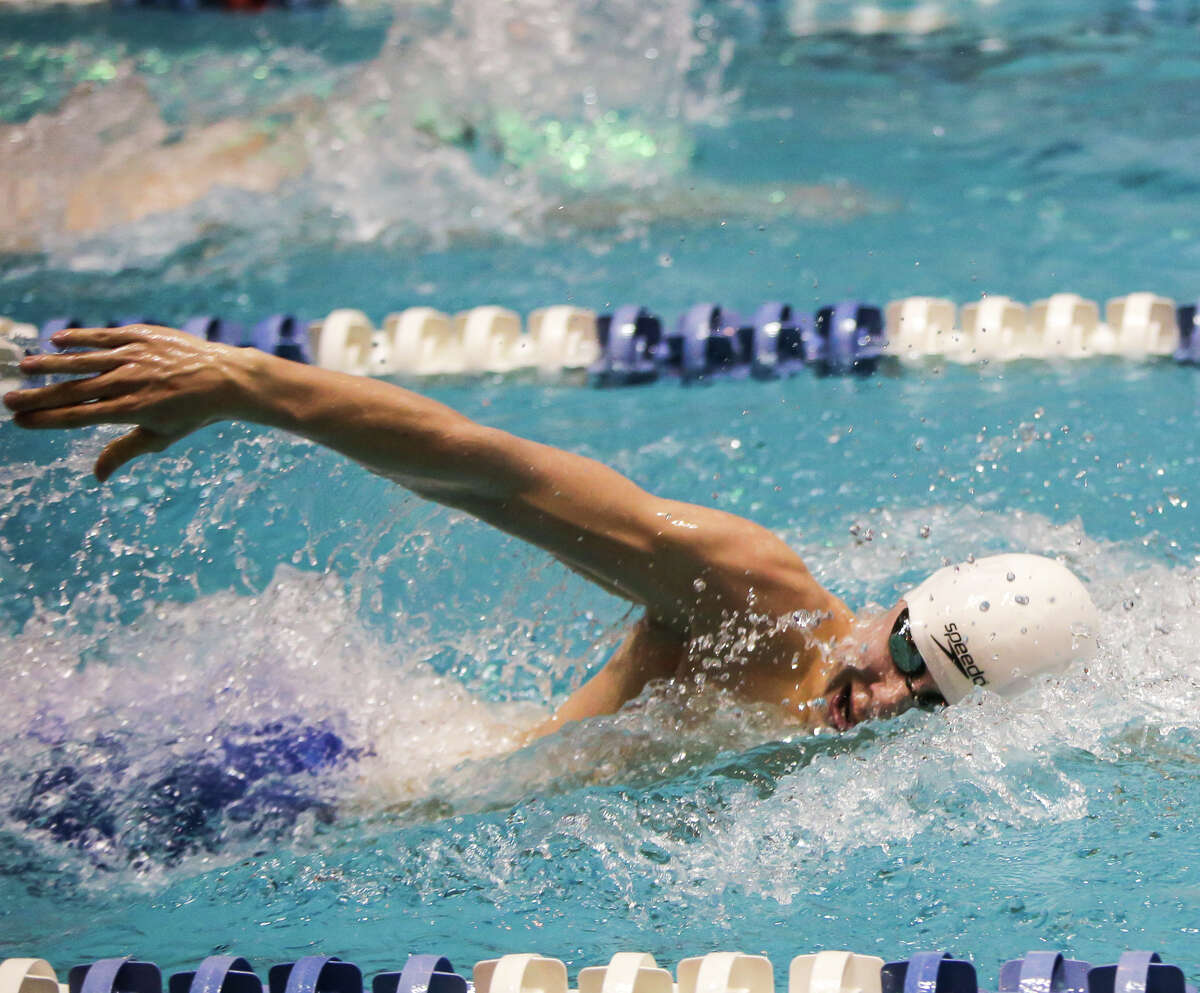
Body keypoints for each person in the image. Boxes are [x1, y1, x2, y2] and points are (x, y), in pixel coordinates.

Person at [3, 324, 1102, 739]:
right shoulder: (761, 605)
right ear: (901, 601)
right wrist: (248, 383)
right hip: (303, 764)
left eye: (936, 702)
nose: (891, 699)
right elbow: (496, 471)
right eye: (909, 654)